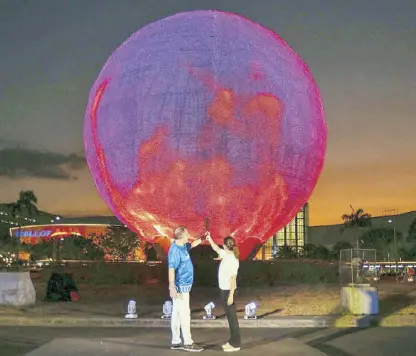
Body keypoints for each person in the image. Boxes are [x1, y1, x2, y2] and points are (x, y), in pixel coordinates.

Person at [168, 226, 204, 352]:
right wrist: (172, 287)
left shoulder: (182, 246)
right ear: (182, 236)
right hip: (180, 288)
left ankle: (176, 341)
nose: (188, 236)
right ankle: (188, 342)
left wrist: (203, 238)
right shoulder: (175, 251)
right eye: (187, 234)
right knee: (184, 315)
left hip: (182, 287)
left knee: (177, 314)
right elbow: (171, 269)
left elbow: (192, 245)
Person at [206, 232, 241, 352]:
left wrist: (231, 296)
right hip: (224, 290)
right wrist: (209, 238)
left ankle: (236, 344)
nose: (222, 247)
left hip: (228, 292)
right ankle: (232, 341)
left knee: (232, 318)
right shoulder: (226, 254)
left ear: (226, 246)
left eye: (223, 245)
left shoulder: (232, 260)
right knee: (229, 317)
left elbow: (233, 279)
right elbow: (216, 248)